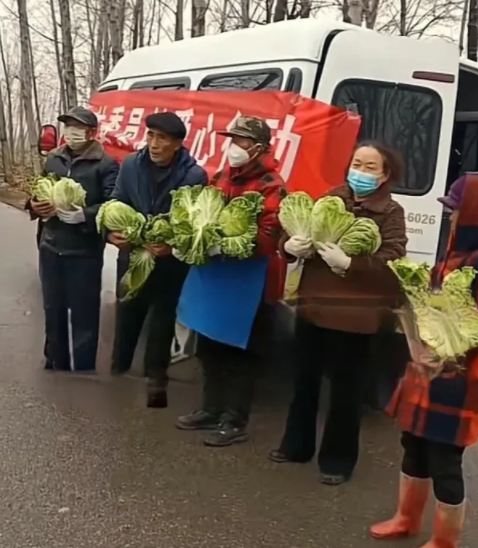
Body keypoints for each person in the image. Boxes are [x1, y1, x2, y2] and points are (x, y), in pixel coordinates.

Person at [370, 173, 478, 548]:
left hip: (461, 381)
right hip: (430, 372)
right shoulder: (461, 252)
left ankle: (444, 540)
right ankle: (406, 518)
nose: (450, 217)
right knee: (414, 446)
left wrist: (444, 325)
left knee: (445, 462)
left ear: (476, 214)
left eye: (455, 210)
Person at [268, 141, 408, 485]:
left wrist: (352, 264)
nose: (360, 171)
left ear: (385, 174)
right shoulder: (332, 198)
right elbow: (295, 231)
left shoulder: (390, 213)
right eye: (357, 163)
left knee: (347, 391)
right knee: (304, 382)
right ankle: (295, 446)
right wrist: (287, 246)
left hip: (357, 317)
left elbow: (394, 259)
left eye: (370, 167)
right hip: (315, 306)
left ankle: (337, 460)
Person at [176, 116, 286, 447]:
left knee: (241, 353)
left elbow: (270, 234)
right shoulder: (223, 176)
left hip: (248, 281)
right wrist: (193, 239)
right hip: (215, 276)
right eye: (231, 139)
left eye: (240, 141)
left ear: (259, 148)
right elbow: (201, 212)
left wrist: (228, 244)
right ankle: (211, 408)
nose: (232, 147)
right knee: (209, 346)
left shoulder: (272, 185)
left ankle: (234, 419)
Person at [109, 112, 207, 408]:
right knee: (127, 313)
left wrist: (171, 244)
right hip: (133, 255)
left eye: (161, 138)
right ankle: (118, 370)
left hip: (169, 264)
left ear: (177, 144)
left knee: (163, 320)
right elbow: (117, 200)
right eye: (150, 135)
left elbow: (194, 222)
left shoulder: (194, 176)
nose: (153, 143)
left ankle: (156, 379)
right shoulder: (130, 165)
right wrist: (113, 233)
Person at [28, 106, 119, 373]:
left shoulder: (106, 164)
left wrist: (85, 215)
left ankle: (82, 370)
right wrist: (34, 205)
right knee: (52, 308)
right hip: (51, 244)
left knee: (84, 313)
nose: (70, 132)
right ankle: (55, 362)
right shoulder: (54, 158)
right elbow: (40, 188)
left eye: (76, 127)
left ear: (91, 133)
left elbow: (113, 203)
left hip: (84, 250)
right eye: (67, 126)